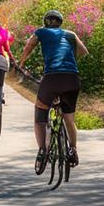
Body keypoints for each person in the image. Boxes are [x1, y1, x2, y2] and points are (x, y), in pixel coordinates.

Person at [17, 10, 89, 173]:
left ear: (46, 22)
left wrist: (21, 63)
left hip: (52, 78)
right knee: (69, 118)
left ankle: (42, 150)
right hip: (72, 77)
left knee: (40, 117)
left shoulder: (41, 32)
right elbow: (84, 51)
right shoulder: (70, 34)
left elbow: (29, 45)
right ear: (60, 22)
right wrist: (71, 59)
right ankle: (73, 149)